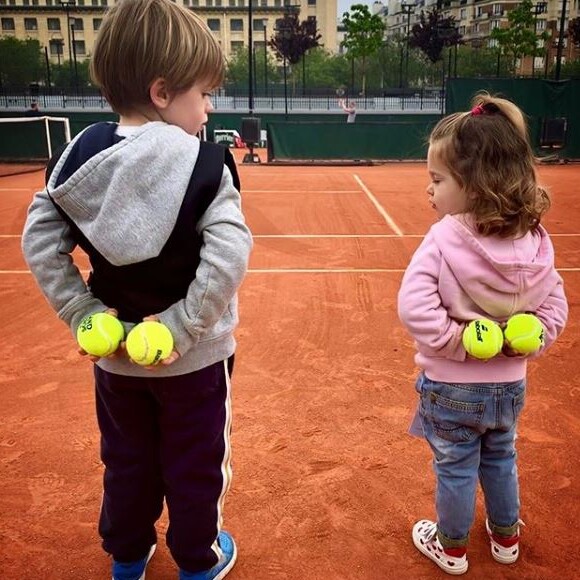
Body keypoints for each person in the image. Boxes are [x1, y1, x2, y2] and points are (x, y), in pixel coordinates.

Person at [21, 1, 252, 579]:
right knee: (196, 464)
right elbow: (229, 254)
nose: (209, 107)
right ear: (161, 91)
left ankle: (128, 558)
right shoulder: (206, 163)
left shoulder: (79, 155)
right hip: (194, 360)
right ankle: (198, 562)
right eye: (203, 94)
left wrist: (82, 311)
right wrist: (179, 327)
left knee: (127, 461)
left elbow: (38, 240)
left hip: (116, 358)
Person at [397, 93, 568, 575]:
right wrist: (526, 339)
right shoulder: (535, 240)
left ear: (473, 184)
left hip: (452, 386)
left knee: (454, 466)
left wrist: (457, 343)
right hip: (510, 385)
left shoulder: (444, 236)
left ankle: (451, 548)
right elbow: (554, 304)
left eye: (437, 180)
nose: (429, 190)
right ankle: (506, 538)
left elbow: (415, 307)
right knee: (500, 457)